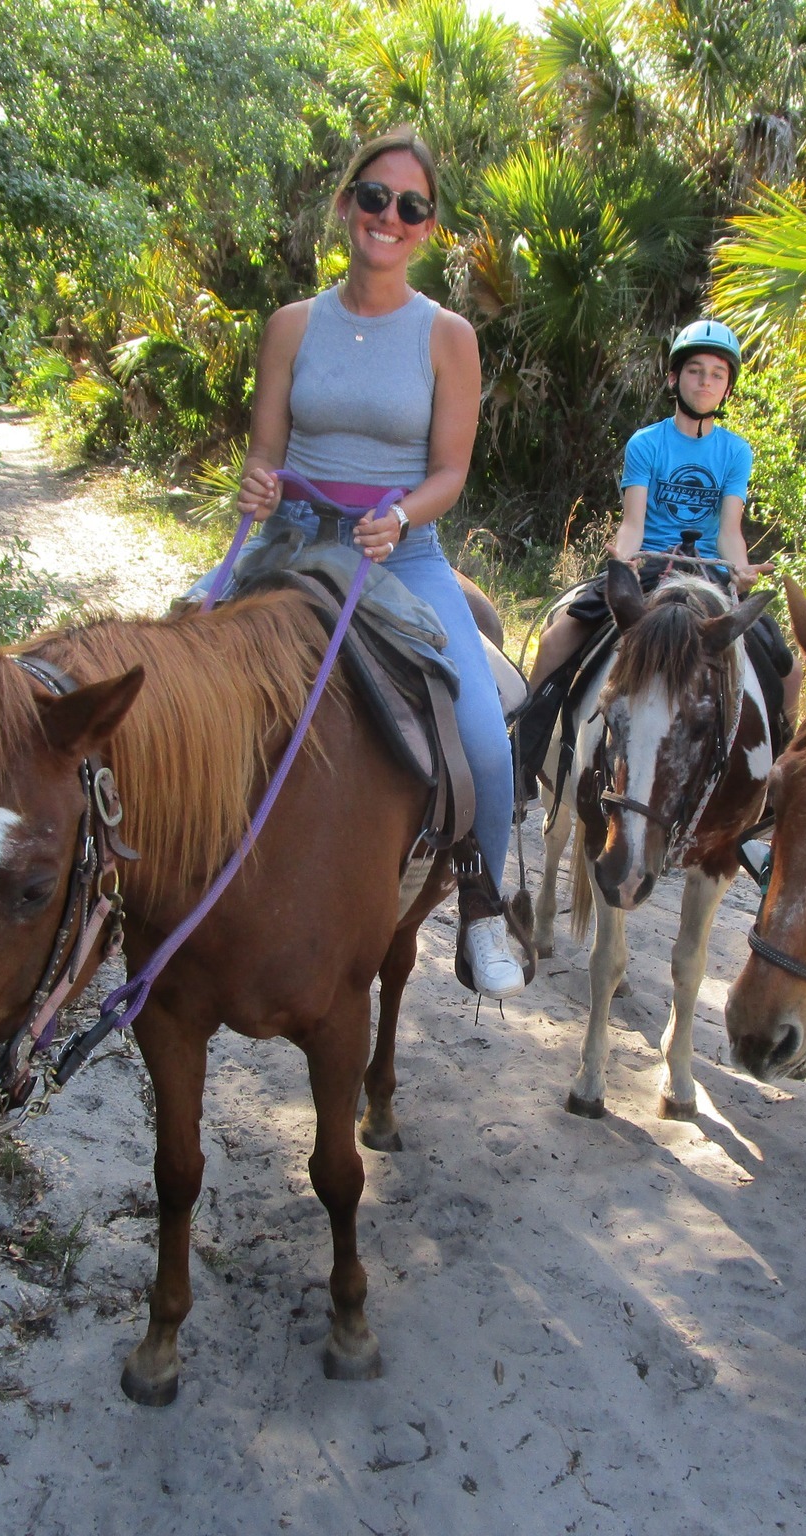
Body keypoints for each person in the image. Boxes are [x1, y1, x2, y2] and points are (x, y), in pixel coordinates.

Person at [231, 128, 525, 999]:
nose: (388, 217)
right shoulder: (289, 326)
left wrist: (398, 514)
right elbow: (266, 455)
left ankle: (482, 905)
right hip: (290, 542)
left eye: (411, 206)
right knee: (178, 679)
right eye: (374, 197)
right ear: (345, 204)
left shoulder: (448, 336)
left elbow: (450, 471)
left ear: (428, 227)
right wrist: (256, 485)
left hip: (404, 551)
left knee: (483, 735)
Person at [516, 320, 800, 795]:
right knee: (559, 636)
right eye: (695, 371)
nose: (705, 382)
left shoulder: (736, 451)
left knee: (787, 670)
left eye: (716, 374)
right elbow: (632, 523)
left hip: (709, 575)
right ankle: (522, 755)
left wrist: (741, 569)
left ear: (727, 386)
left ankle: (777, 785)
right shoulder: (646, 443)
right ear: (674, 379)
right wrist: (621, 560)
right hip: (649, 566)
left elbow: (729, 529)